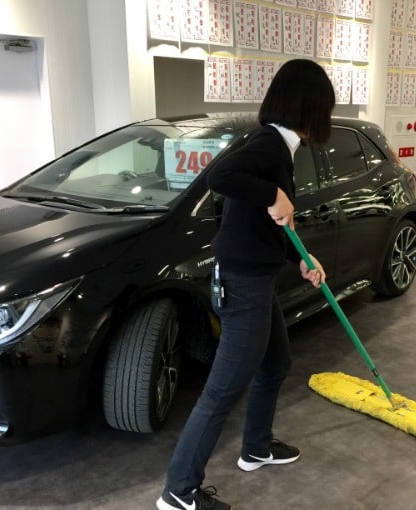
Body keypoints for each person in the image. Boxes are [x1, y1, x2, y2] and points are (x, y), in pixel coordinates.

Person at [156, 59, 336, 510]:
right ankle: (178, 491)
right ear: (312, 107)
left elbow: (270, 223)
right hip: (243, 285)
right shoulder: (269, 144)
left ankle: (256, 447)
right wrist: (274, 194)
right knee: (221, 390)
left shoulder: (278, 146)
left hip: (257, 279)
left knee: (276, 363)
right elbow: (220, 178)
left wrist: (302, 257)